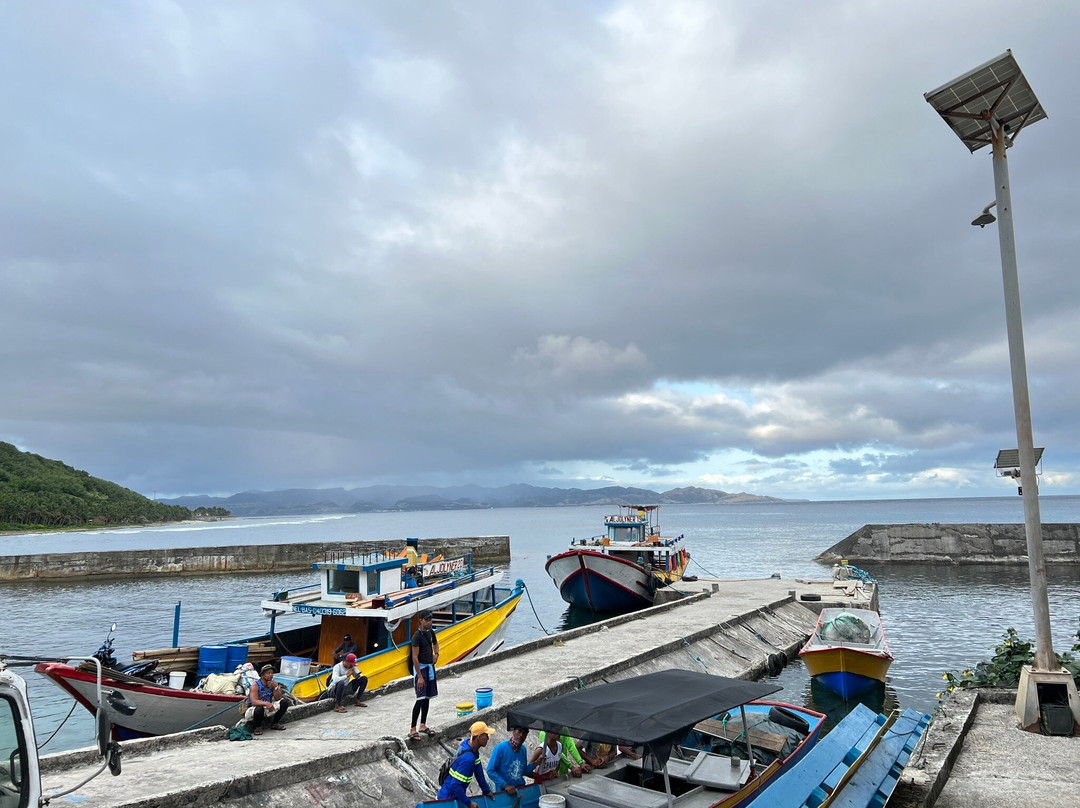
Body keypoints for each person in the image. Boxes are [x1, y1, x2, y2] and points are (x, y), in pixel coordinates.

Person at [436, 721, 494, 808]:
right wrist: (469, 803)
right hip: (448, 800)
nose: (488, 738)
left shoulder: (469, 744)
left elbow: (478, 771)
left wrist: (486, 790)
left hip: (453, 795)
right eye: (486, 735)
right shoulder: (468, 759)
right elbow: (455, 785)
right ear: (479, 737)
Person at [407, 608, 439, 740]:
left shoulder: (430, 632)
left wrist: (436, 654)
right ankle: (412, 728)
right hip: (421, 668)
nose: (428, 622)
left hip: (429, 667)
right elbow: (415, 657)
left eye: (430, 620)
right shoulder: (417, 636)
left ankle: (423, 724)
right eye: (426, 620)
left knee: (427, 698)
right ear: (421, 621)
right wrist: (420, 676)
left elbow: (435, 644)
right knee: (420, 699)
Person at [486, 726, 534, 795]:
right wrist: (505, 785)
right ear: (513, 732)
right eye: (519, 731)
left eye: (524, 733)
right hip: (503, 793)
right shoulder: (501, 748)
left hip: (520, 790)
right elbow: (490, 770)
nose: (521, 735)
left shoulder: (523, 750)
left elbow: (522, 771)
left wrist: (535, 764)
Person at [244, 664, 288, 735]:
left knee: (284, 702)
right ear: (262, 675)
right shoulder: (255, 685)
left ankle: (275, 723)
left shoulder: (273, 683)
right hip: (254, 708)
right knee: (259, 709)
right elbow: (254, 701)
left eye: (272, 673)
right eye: (268, 673)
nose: (271, 675)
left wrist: (275, 687)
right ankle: (258, 727)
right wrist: (266, 703)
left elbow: (278, 698)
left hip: (267, 707)